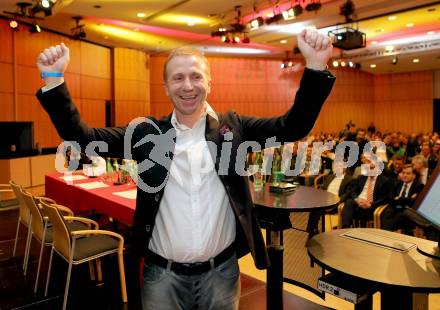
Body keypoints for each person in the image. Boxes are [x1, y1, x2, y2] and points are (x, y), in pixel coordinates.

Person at [36, 29, 335, 309]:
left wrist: (315, 67)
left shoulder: (234, 129)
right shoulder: (146, 134)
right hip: (161, 277)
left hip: (222, 275)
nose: (188, 85)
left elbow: (291, 126)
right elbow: (86, 141)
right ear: (166, 87)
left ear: (209, 83)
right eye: (178, 78)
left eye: (196, 76)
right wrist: (53, 81)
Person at [381, 164, 424, 232]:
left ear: (414, 176)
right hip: (395, 209)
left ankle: (386, 235)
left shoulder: (419, 186)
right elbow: (389, 198)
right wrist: (401, 200)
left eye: (408, 173)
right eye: (403, 173)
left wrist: (399, 199)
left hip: (409, 213)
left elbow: (413, 202)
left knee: (394, 219)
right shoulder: (398, 184)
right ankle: (386, 235)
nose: (405, 175)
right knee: (385, 213)